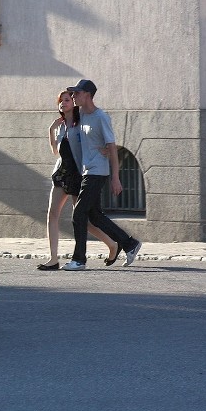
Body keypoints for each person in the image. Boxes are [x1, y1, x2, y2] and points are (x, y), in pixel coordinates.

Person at [63, 79, 141, 271]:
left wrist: (116, 177)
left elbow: (112, 147)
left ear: (87, 95)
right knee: (95, 216)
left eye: (77, 93)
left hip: (98, 171)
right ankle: (130, 244)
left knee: (79, 213)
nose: (74, 96)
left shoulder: (101, 117)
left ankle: (79, 260)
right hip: (87, 170)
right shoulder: (81, 114)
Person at [40, 90, 119, 270]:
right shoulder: (60, 126)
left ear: (73, 103)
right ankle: (53, 258)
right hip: (61, 173)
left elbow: (93, 137)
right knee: (52, 214)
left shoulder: (81, 122)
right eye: (61, 101)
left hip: (78, 174)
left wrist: (103, 150)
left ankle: (112, 244)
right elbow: (55, 152)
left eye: (67, 100)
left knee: (81, 218)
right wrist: (51, 130)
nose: (63, 103)